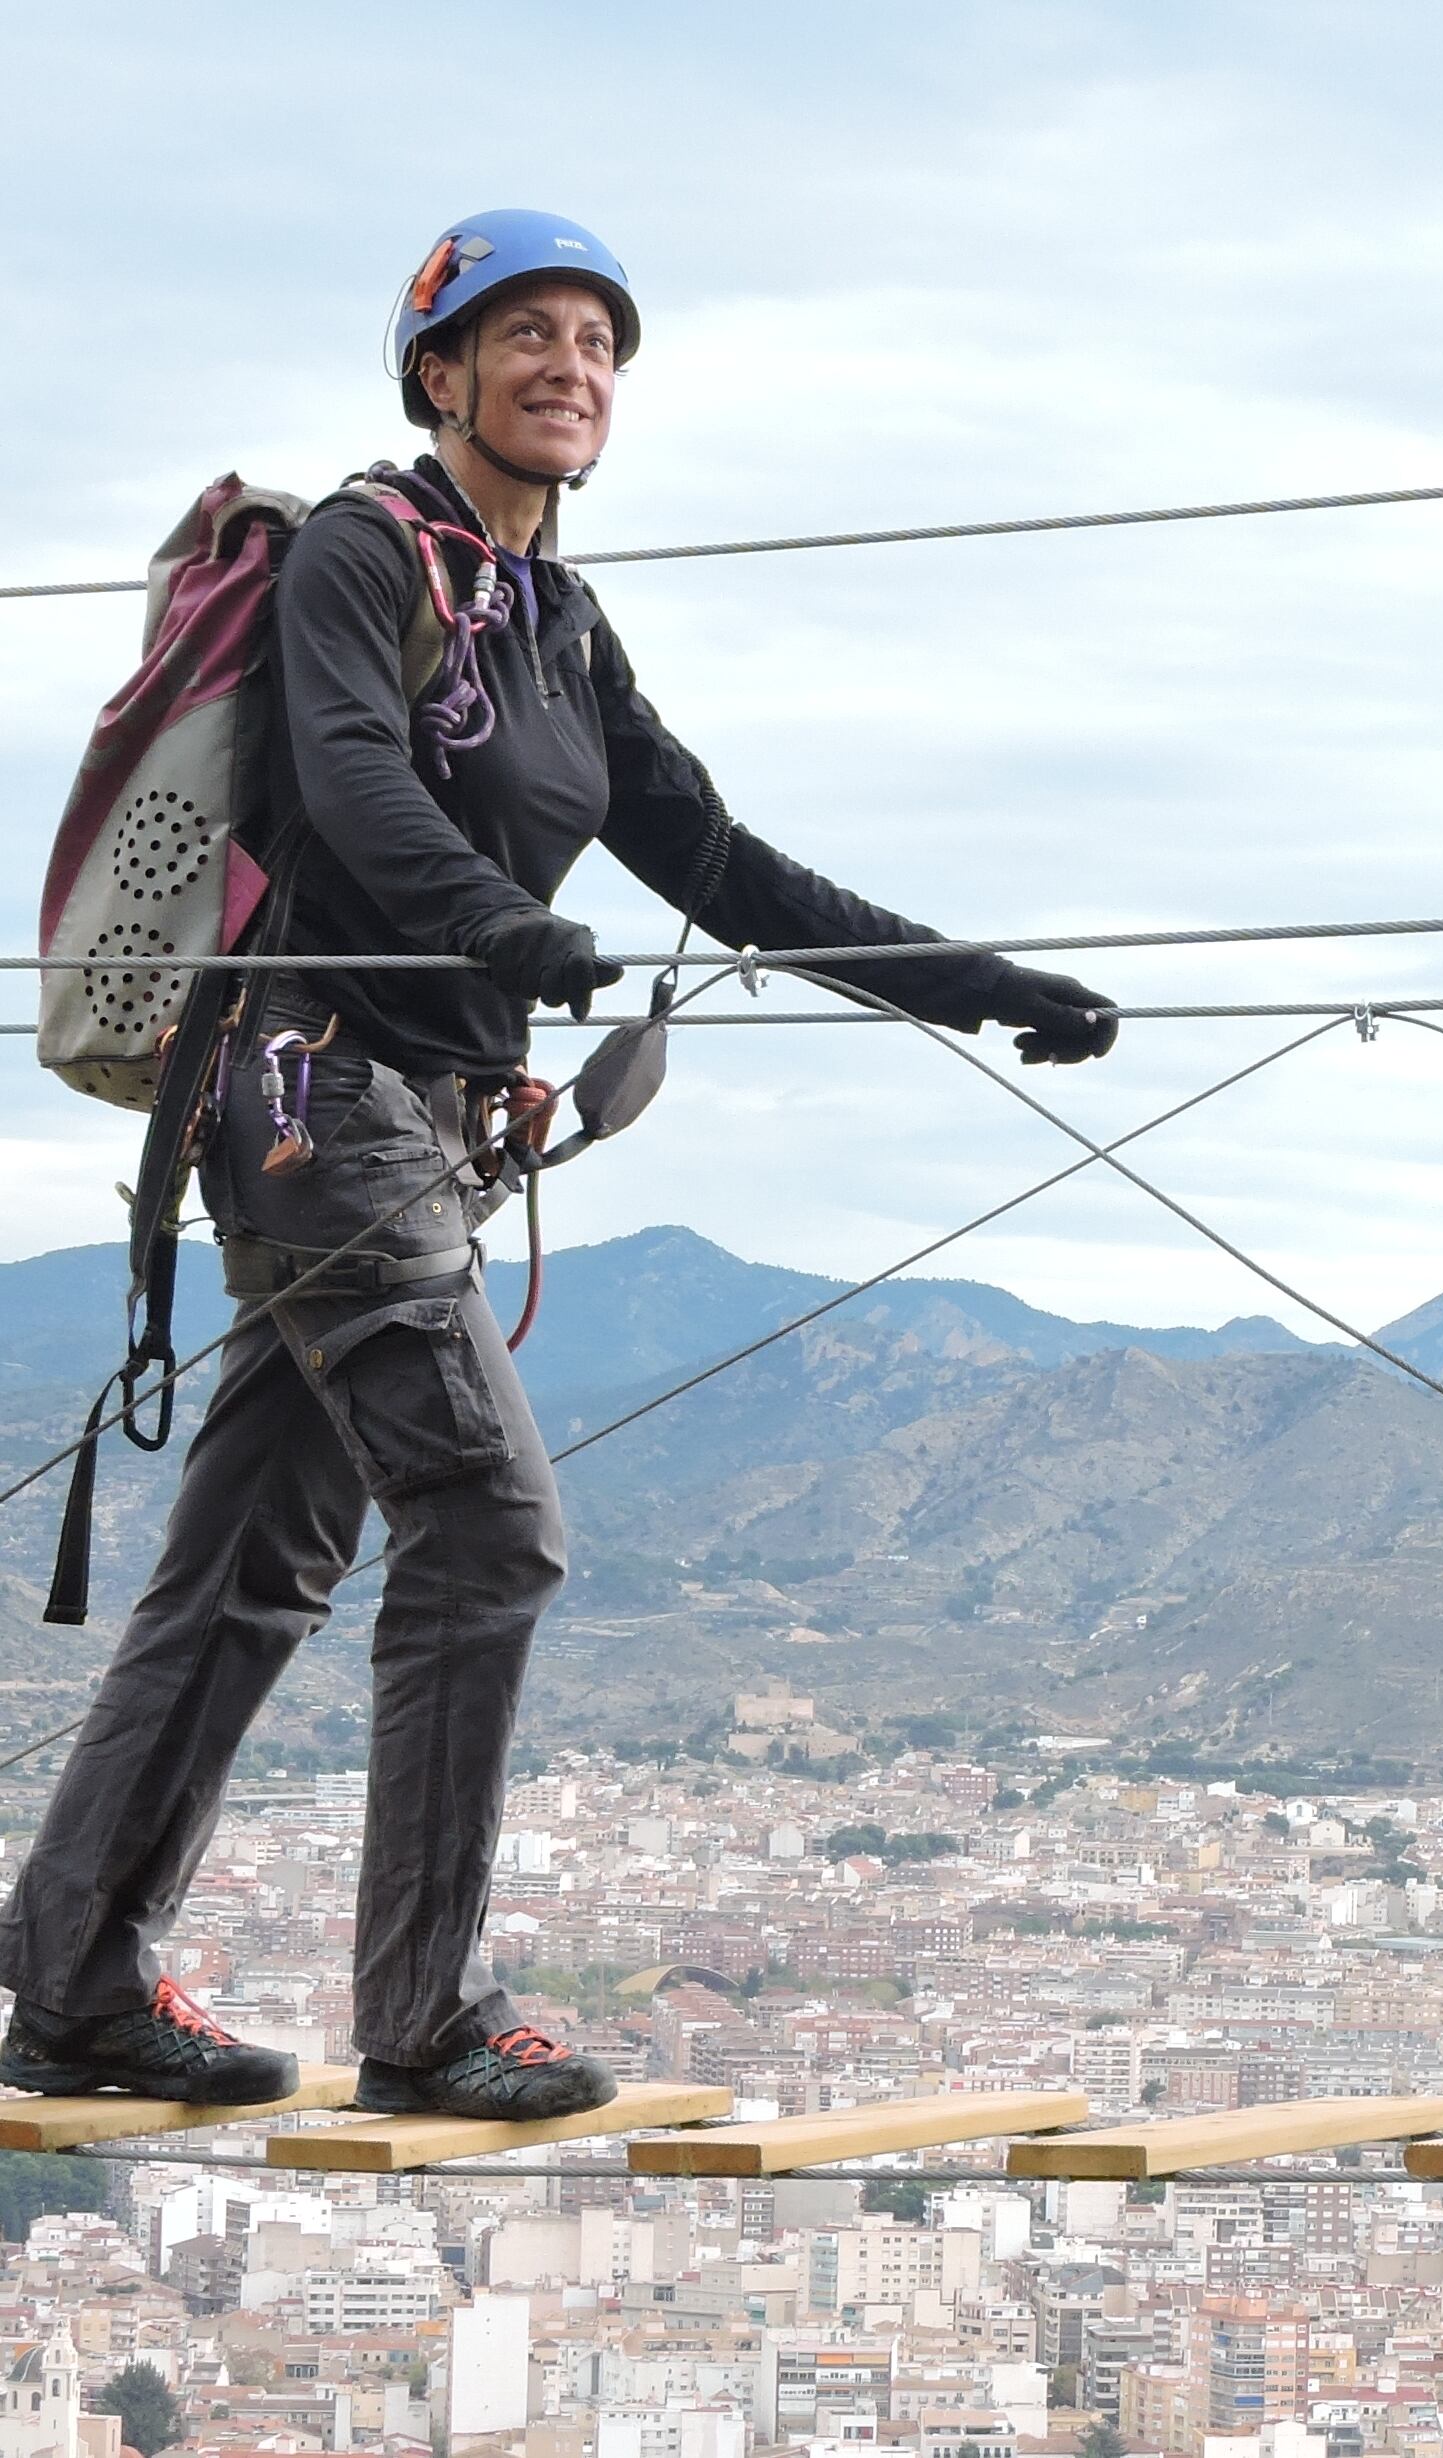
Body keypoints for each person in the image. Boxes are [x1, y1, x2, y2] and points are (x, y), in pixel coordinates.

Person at [0, 211, 1119, 2120]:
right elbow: (349, 774)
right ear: (436, 369)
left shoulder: (561, 624)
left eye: (599, 341)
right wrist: (498, 931)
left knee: (259, 1561)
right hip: (313, 1094)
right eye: (524, 333)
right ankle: (421, 2019)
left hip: (407, 1127)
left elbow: (722, 863)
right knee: (489, 1527)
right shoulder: (363, 551)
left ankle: (76, 1981)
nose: (568, 367)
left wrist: (974, 985)